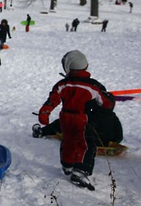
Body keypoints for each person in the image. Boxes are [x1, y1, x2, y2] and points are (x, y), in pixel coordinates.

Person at [36, 50, 115, 191]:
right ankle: (80, 170)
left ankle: (67, 164)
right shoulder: (92, 86)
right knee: (86, 143)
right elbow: (105, 103)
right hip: (83, 118)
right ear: (85, 66)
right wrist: (110, 99)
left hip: (65, 118)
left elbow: (52, 100)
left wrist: (44, 113)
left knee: (68, 141)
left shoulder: (63, 84)